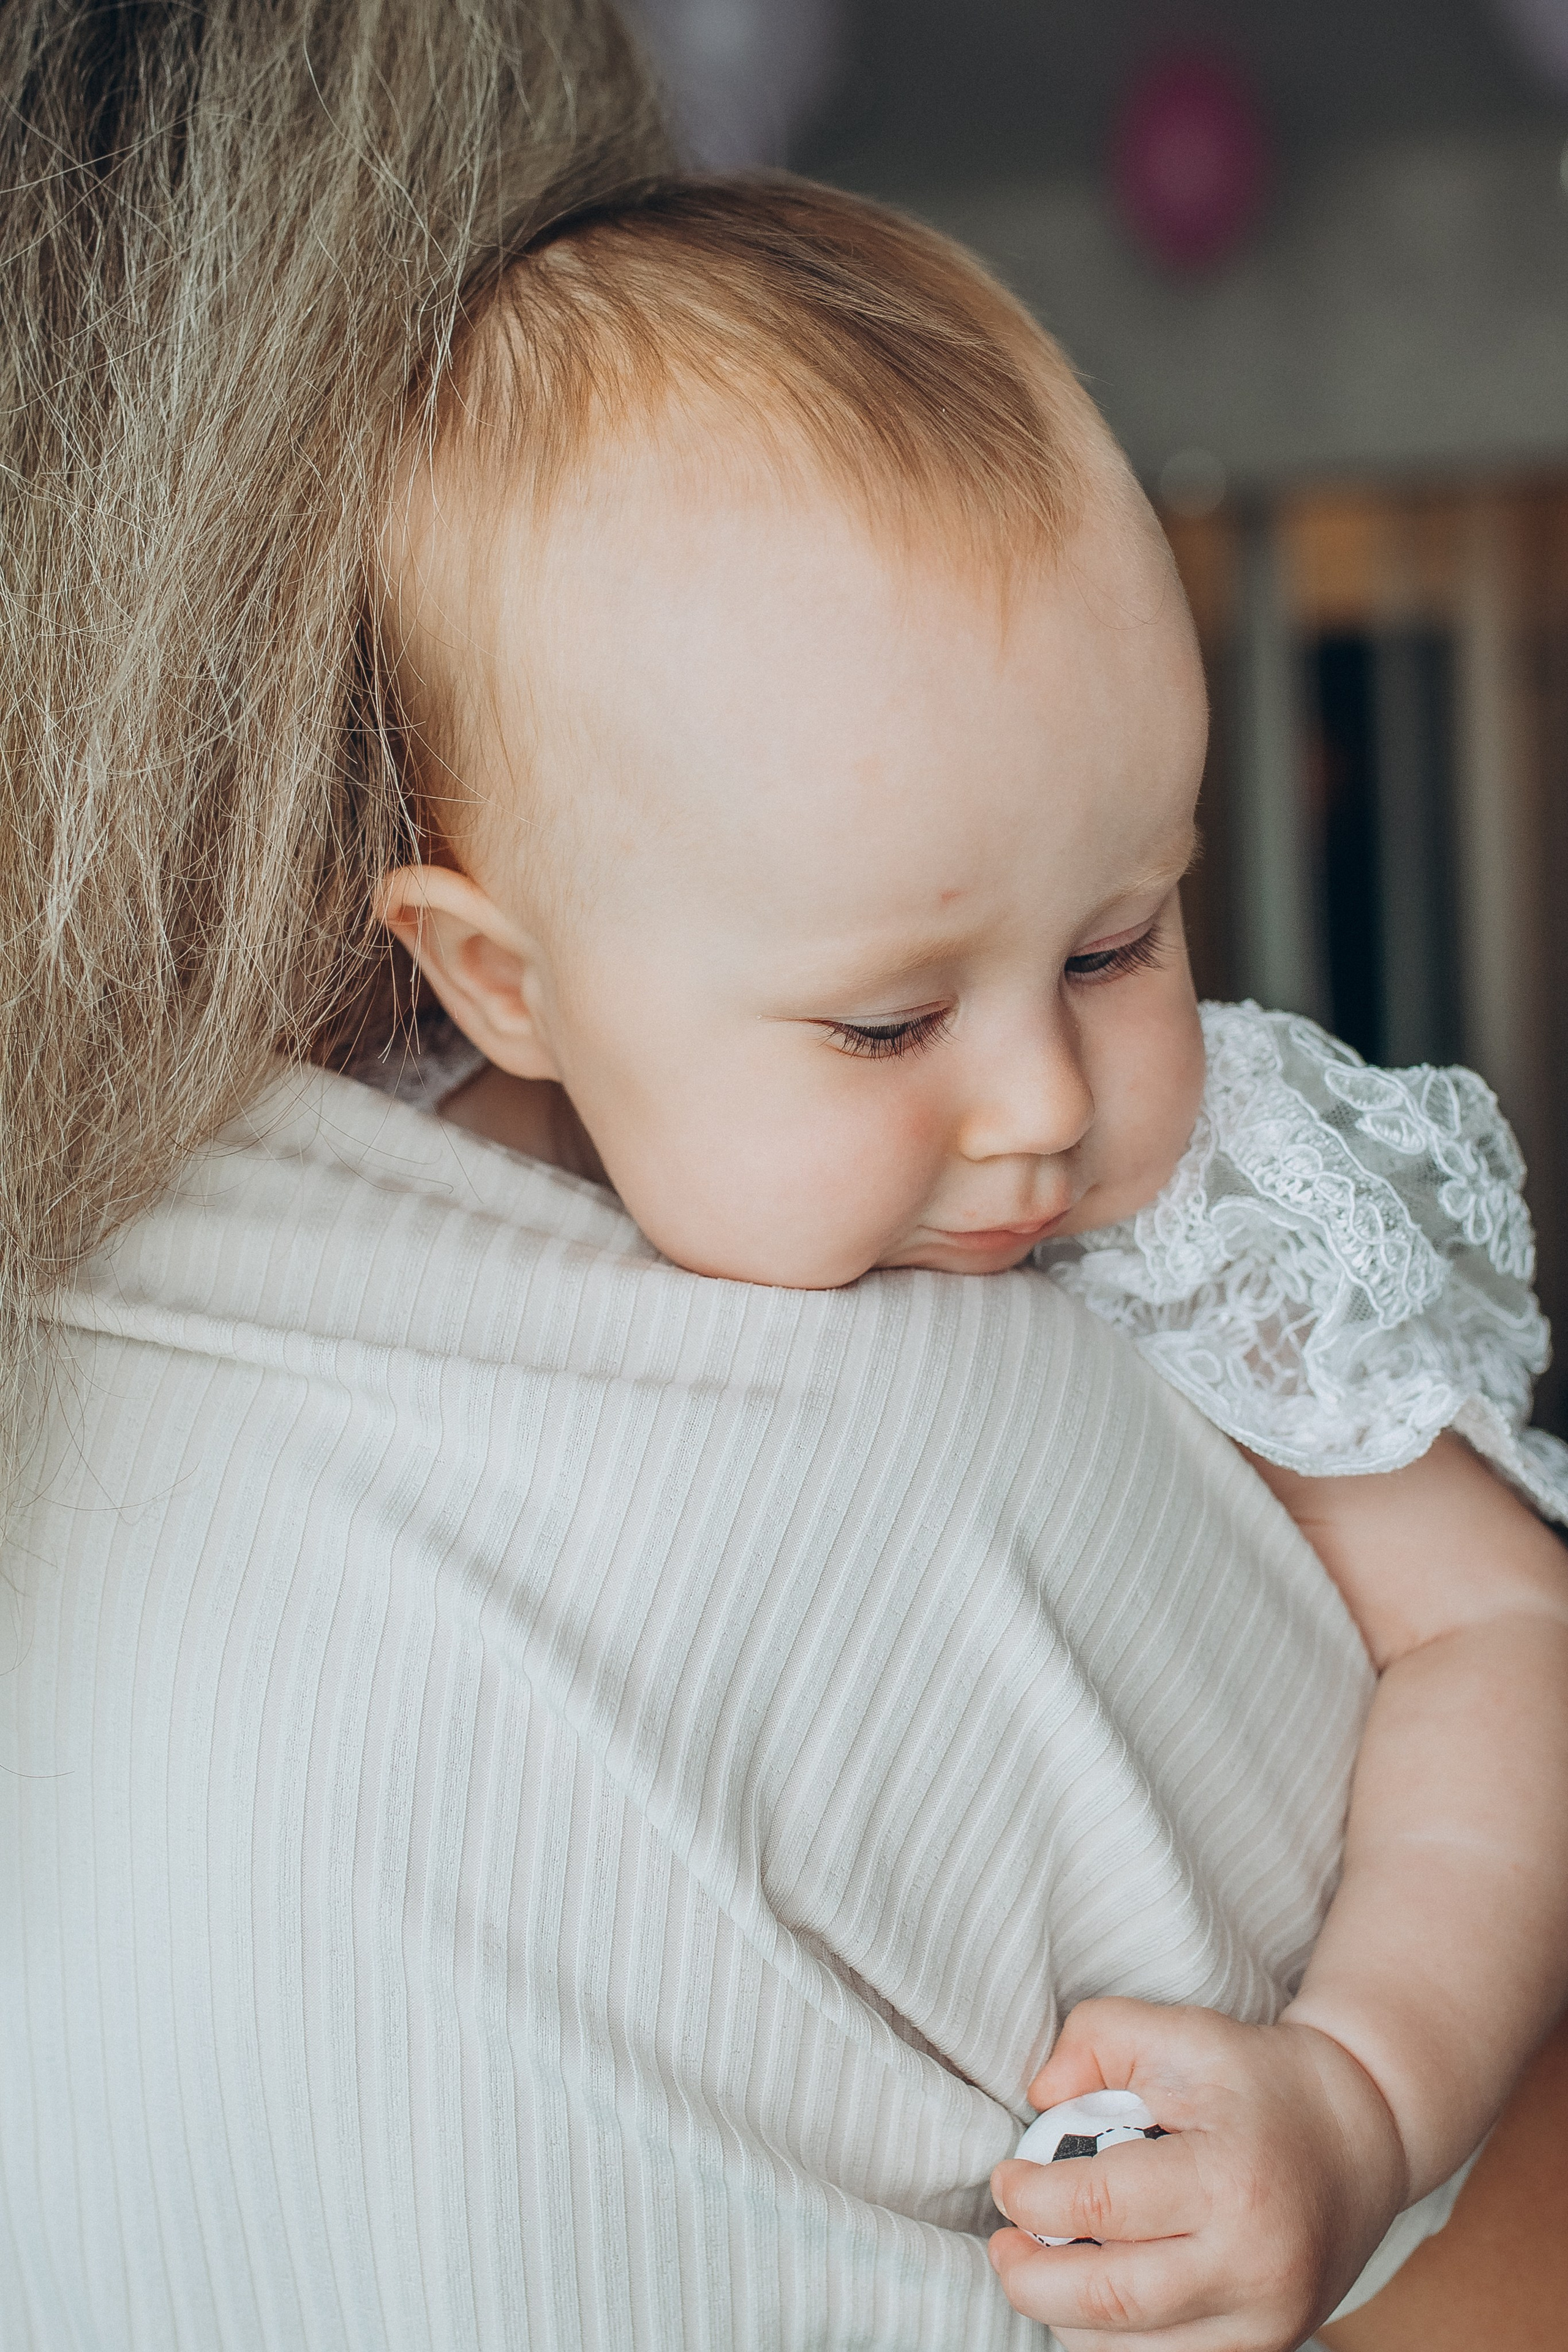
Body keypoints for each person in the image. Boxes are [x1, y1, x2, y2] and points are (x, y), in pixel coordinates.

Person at [0, 14, 1557, 2350]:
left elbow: (1507, 1642)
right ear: (502, 991)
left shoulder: (1215, 1203)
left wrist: (1356, 2093)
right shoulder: (369, 1218)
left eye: (1123, 933)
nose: (1041, 1099)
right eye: (886, 1023)